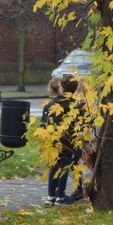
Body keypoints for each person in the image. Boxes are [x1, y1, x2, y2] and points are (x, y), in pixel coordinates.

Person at [44, 74, 86, 205]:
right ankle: (60, 196)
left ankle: (51, 195)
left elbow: (44, 123)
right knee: (64, 167)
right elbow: (83, 124)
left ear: (61, 87)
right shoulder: (76, 106)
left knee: (54, 167)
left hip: (54, 141)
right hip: (69, 142)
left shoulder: (50, 105)